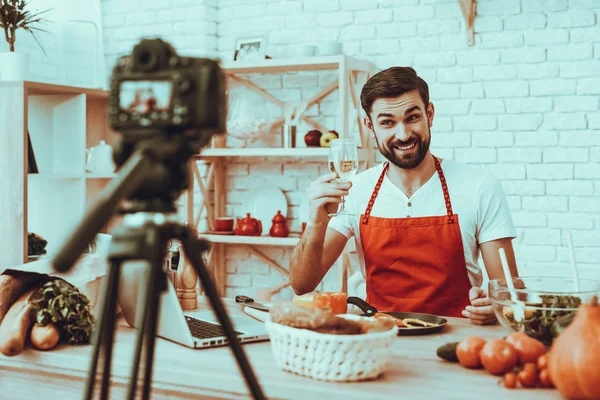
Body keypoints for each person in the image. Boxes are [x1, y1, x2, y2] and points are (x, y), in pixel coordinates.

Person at [289, 67, 519, 325]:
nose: (403, 134)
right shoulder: (355, 191)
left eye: (412, 118)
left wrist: (495, 305)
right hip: (381, 339)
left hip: (458, 340)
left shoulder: (479, 187)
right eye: (387, 122)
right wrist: (316, 222)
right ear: (370, 126)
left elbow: (508, 292)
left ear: (429, 115)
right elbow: (302, 284)